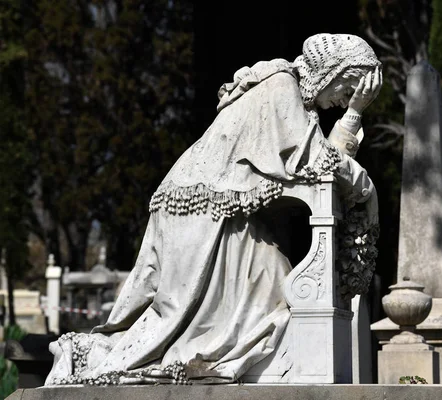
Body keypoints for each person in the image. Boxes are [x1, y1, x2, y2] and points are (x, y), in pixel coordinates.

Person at [45, 33, 382, 385]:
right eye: (349, 88)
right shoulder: (281, 86)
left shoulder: (294, 99)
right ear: (330, 71)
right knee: (251, 299)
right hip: (201, 213)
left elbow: (318, 162)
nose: (346, 100)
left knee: (268, 290)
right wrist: (356, 126)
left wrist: (355, 114)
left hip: (222, 216)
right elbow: (318, 161)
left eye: (353, 96)